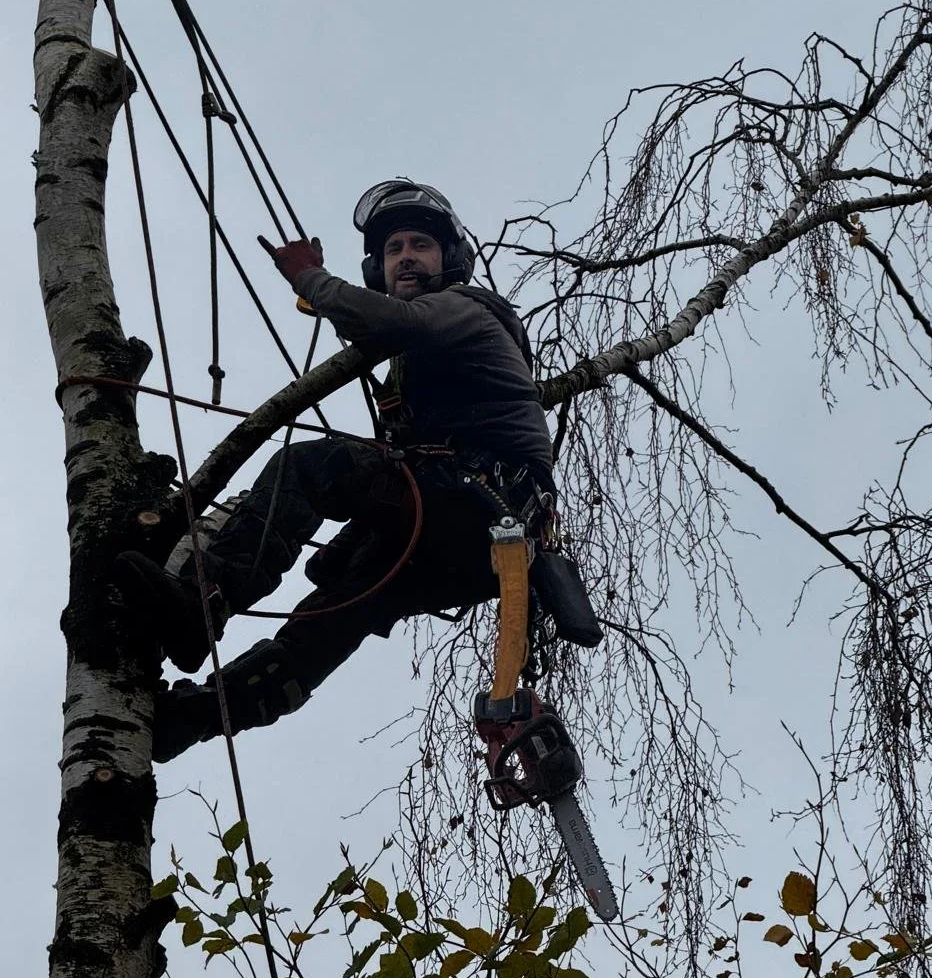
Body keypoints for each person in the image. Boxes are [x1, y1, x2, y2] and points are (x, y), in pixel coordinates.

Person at [117, 179, 585, 762]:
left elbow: (390, 322)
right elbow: (383, 331)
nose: (407, 256)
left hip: (475, 501)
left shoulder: (467, 309)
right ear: (377, 265)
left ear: (452, 261)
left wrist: (310, 278)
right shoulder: (418, 360)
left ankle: (204, 598)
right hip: (460, 542)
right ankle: (192, 719)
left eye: (420, 245)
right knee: (334, 613)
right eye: (394, 249)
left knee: (314, 465)